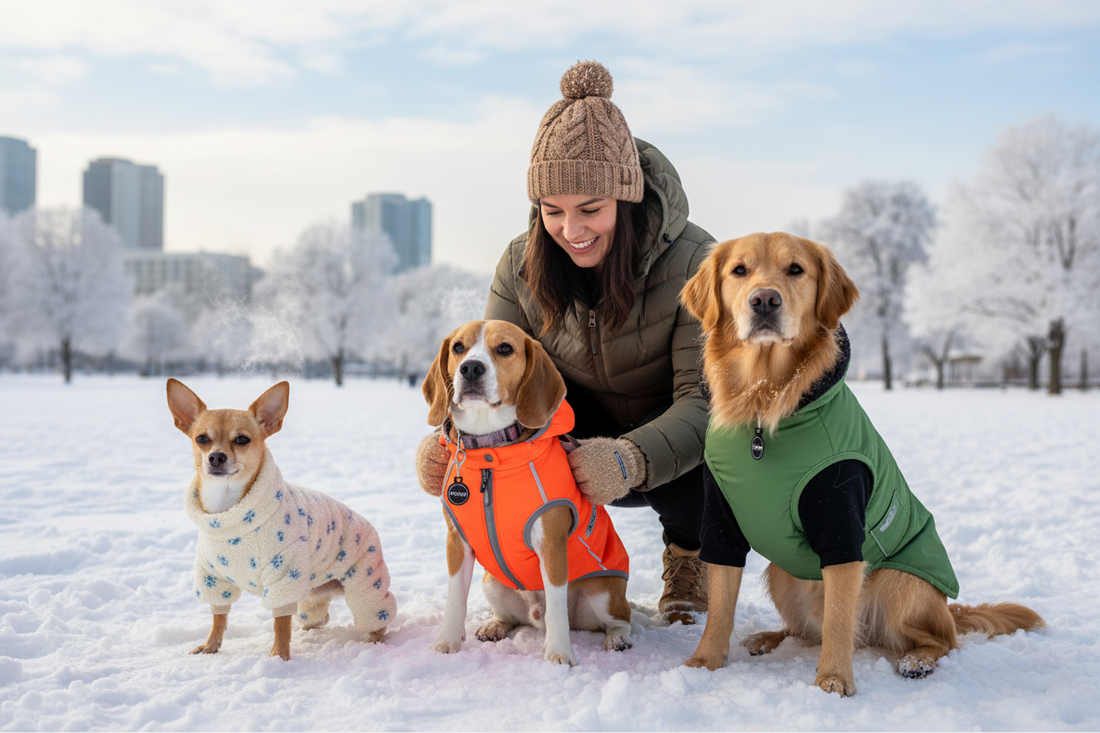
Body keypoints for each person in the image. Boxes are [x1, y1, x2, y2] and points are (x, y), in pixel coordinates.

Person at [416, 60, 715, 623]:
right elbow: (490, 373)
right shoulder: (521, 263)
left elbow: (704, 402)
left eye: (591, 211)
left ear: (625, 202)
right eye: (552, 213)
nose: (571, 231)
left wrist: (630, 458)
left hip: (670, 435)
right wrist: (446, 439)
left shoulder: (696, 263)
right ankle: (524, 570)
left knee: (713, 453)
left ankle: (689, 554)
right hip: (571, 435)